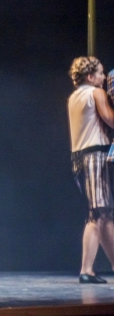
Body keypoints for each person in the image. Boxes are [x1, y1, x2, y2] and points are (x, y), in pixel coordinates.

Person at [67, 57, 114, 283]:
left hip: (79, 158)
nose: (104, 78)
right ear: (90, 76)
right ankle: (86, 270)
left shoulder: (74, 97)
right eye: (101, 73)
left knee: (103, 214)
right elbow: (110, 119)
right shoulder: (96, 93)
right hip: (95, 156)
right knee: (97, 214)